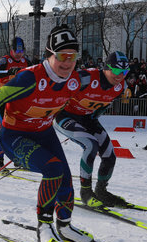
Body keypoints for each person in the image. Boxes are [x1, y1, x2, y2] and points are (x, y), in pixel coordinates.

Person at [0, 25, 91, 242]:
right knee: (53, 169)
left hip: (44, 133)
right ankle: (45, 227)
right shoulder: (29, 78)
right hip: (15, 135)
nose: (67, 62)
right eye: (62, 56)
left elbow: (103, 85)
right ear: (49, 56)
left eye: (73, 56)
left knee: (66, 180)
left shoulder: (77, 79)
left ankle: (65, 226)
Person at [53, 51, 130, 208]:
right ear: (105, 68)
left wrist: (98, 112)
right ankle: (85, 192)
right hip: (64, 115)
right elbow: (56, 87)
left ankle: (101, 191)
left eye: (124, 72)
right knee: (90, 144)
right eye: (116, 70)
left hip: (87, 118)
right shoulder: (86, 78)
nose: (120, 76)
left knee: (109, 155)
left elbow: (104, 102)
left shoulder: (121, 86)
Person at [0, 37, 31, 171]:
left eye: (21, 51)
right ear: (11, 50)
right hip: (4, 100)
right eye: (16, 51)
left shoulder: (26, 61)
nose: (19, 54)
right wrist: (9, 72)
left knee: (22, 129)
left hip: (19, 101)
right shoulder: (5, 60)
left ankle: (17, 158)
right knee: (5, 129)